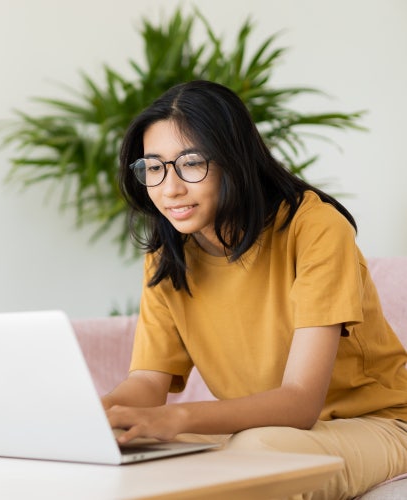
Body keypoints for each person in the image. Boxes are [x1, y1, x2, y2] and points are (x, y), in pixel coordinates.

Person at [102, 80, 407, 499]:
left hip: (378, 423)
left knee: (257, 453)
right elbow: (147, 382)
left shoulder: (314, 228)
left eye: (190, 163)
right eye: (154, 167)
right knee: (149, 456)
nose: (169, 188)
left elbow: (300, 403)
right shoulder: (168, 256)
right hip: (258, 431)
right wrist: (104, 413)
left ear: (233, 159)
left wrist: (178, 419)